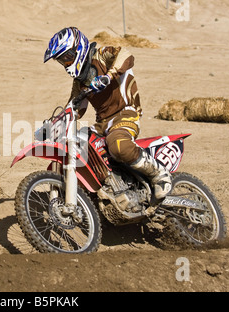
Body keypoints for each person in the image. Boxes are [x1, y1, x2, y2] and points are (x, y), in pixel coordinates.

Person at [44, 27, 171, 200]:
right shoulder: (79, 81)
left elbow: (126, 55)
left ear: (78, 48)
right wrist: (53, 124)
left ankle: (160, 174)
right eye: (61, 61)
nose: (66, 64)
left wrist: (109, 76)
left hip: (126, 113)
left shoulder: (102, 55)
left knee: (118, 145)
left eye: (67, 58)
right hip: (102, 123)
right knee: (76, 147)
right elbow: (74, 108)